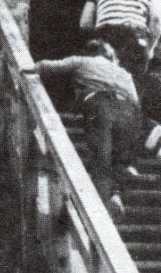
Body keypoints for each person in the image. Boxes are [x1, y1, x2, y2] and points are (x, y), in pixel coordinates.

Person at [30, 39, 141, 218]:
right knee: (119, 160)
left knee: (100, 159)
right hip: (128, 112)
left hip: (100, 106)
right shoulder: (124, 73)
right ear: (109, 56)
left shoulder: (82, 61)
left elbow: (47, 66)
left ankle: (103, 211)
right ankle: (115, 194)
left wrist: (30, 68)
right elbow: (136, 100)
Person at [79, 0, 161, 79]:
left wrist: (95, 42)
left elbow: (85, 23)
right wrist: (150, 48)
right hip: (136, 37)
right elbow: (157, 21)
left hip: (105, 36)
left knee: (102, 79)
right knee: (132, 81)